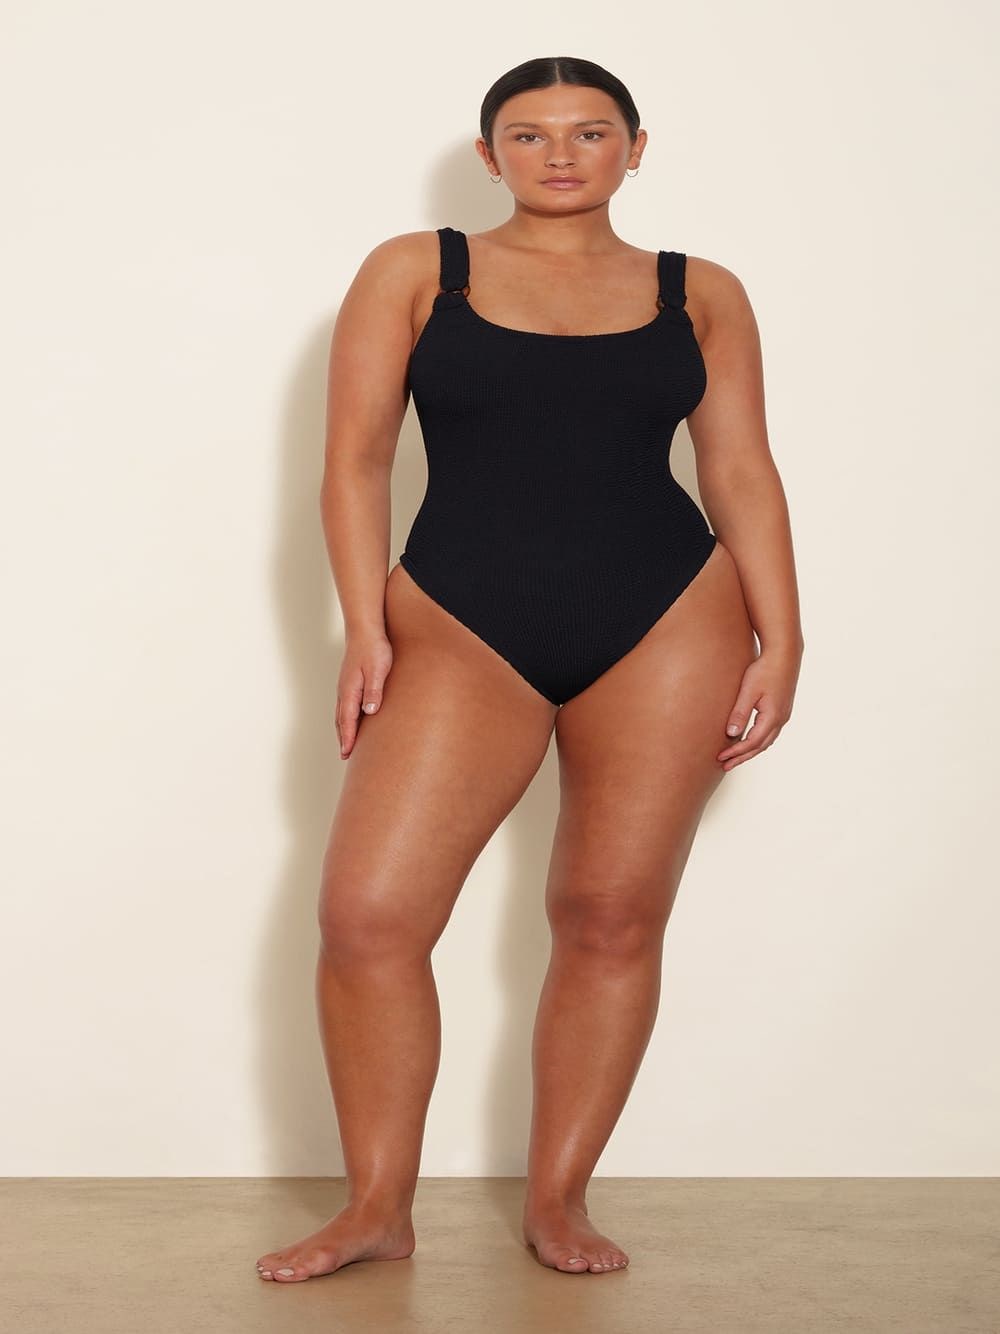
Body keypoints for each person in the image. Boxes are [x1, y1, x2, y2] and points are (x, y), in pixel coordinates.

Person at [256, 54, 803, 1284]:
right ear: (488, 152)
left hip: (669, 615)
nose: (560, 152)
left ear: (636, 149)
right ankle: (376, 1205)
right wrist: (364, 625)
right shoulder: (417, 271)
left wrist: (784, 635)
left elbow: (738, 469)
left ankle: (558, 1199)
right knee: (369, 914)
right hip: (458, 618)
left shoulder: (699, 291)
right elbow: (354, 458)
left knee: (610, 914)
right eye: (530, 132)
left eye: (590, 131)